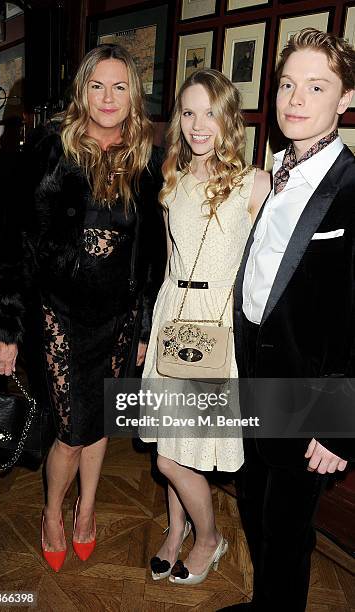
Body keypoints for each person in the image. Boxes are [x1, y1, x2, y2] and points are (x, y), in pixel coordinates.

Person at [0, 43, 164, 572]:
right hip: (59, 315)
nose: (108, 98)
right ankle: (52, 515)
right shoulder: (47, 149)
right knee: (70, 428)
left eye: (119, 87)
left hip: (119, 317)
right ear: (82, 92)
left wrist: (144, 325)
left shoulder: (147, 158)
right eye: (97, 86)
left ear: (132, 96)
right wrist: (7, 326)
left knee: (102, 421)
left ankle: (86, 511)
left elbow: (153, 253)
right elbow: (13, 243)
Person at [221, 29, 355, 612]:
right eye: (288, 85)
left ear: (345, 100)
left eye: (317, 87)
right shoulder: (273, 170)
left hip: (309, 402)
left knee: (287, 532)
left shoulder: (351, 189)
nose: (295, 100)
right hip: (253, 384)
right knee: (254, 507)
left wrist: (339, 423)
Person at [141, 69, 270, 585]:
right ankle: (176, 534)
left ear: (228, 118)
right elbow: (165, 260)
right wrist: (151, 330)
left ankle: (210, 538)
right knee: (172, 445)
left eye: (209, 112)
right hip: (172, 317)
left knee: (173, 457)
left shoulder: (254, 182)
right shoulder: (171, 173)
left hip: (216, 328)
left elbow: (273, 267)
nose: (198, 125)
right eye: (189, 112)